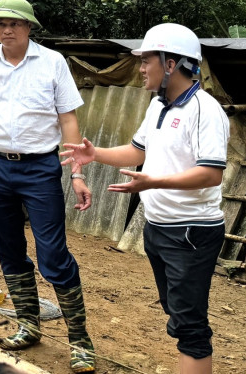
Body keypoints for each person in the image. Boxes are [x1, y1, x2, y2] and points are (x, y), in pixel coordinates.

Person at [60, 23, 227, 374]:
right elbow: (137, 150)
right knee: (177, 312)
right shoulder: (158, 106)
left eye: (146, 60)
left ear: (171, 64)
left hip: (191, 232)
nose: (140, 68)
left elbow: (211, 174)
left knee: (190, 325)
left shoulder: (205, 110)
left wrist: (154, 182)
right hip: (159, 228)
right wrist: (96, 154)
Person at [0, 0, 95, 373]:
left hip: (39, 169)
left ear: (29, 27)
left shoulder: (52, 63)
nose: (6, 29)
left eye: (15, 23)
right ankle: (29, 324)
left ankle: (80, 340)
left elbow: (68, 120)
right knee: (6, 247)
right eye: (0, 23)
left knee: (53, 254)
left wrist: (77, 173)